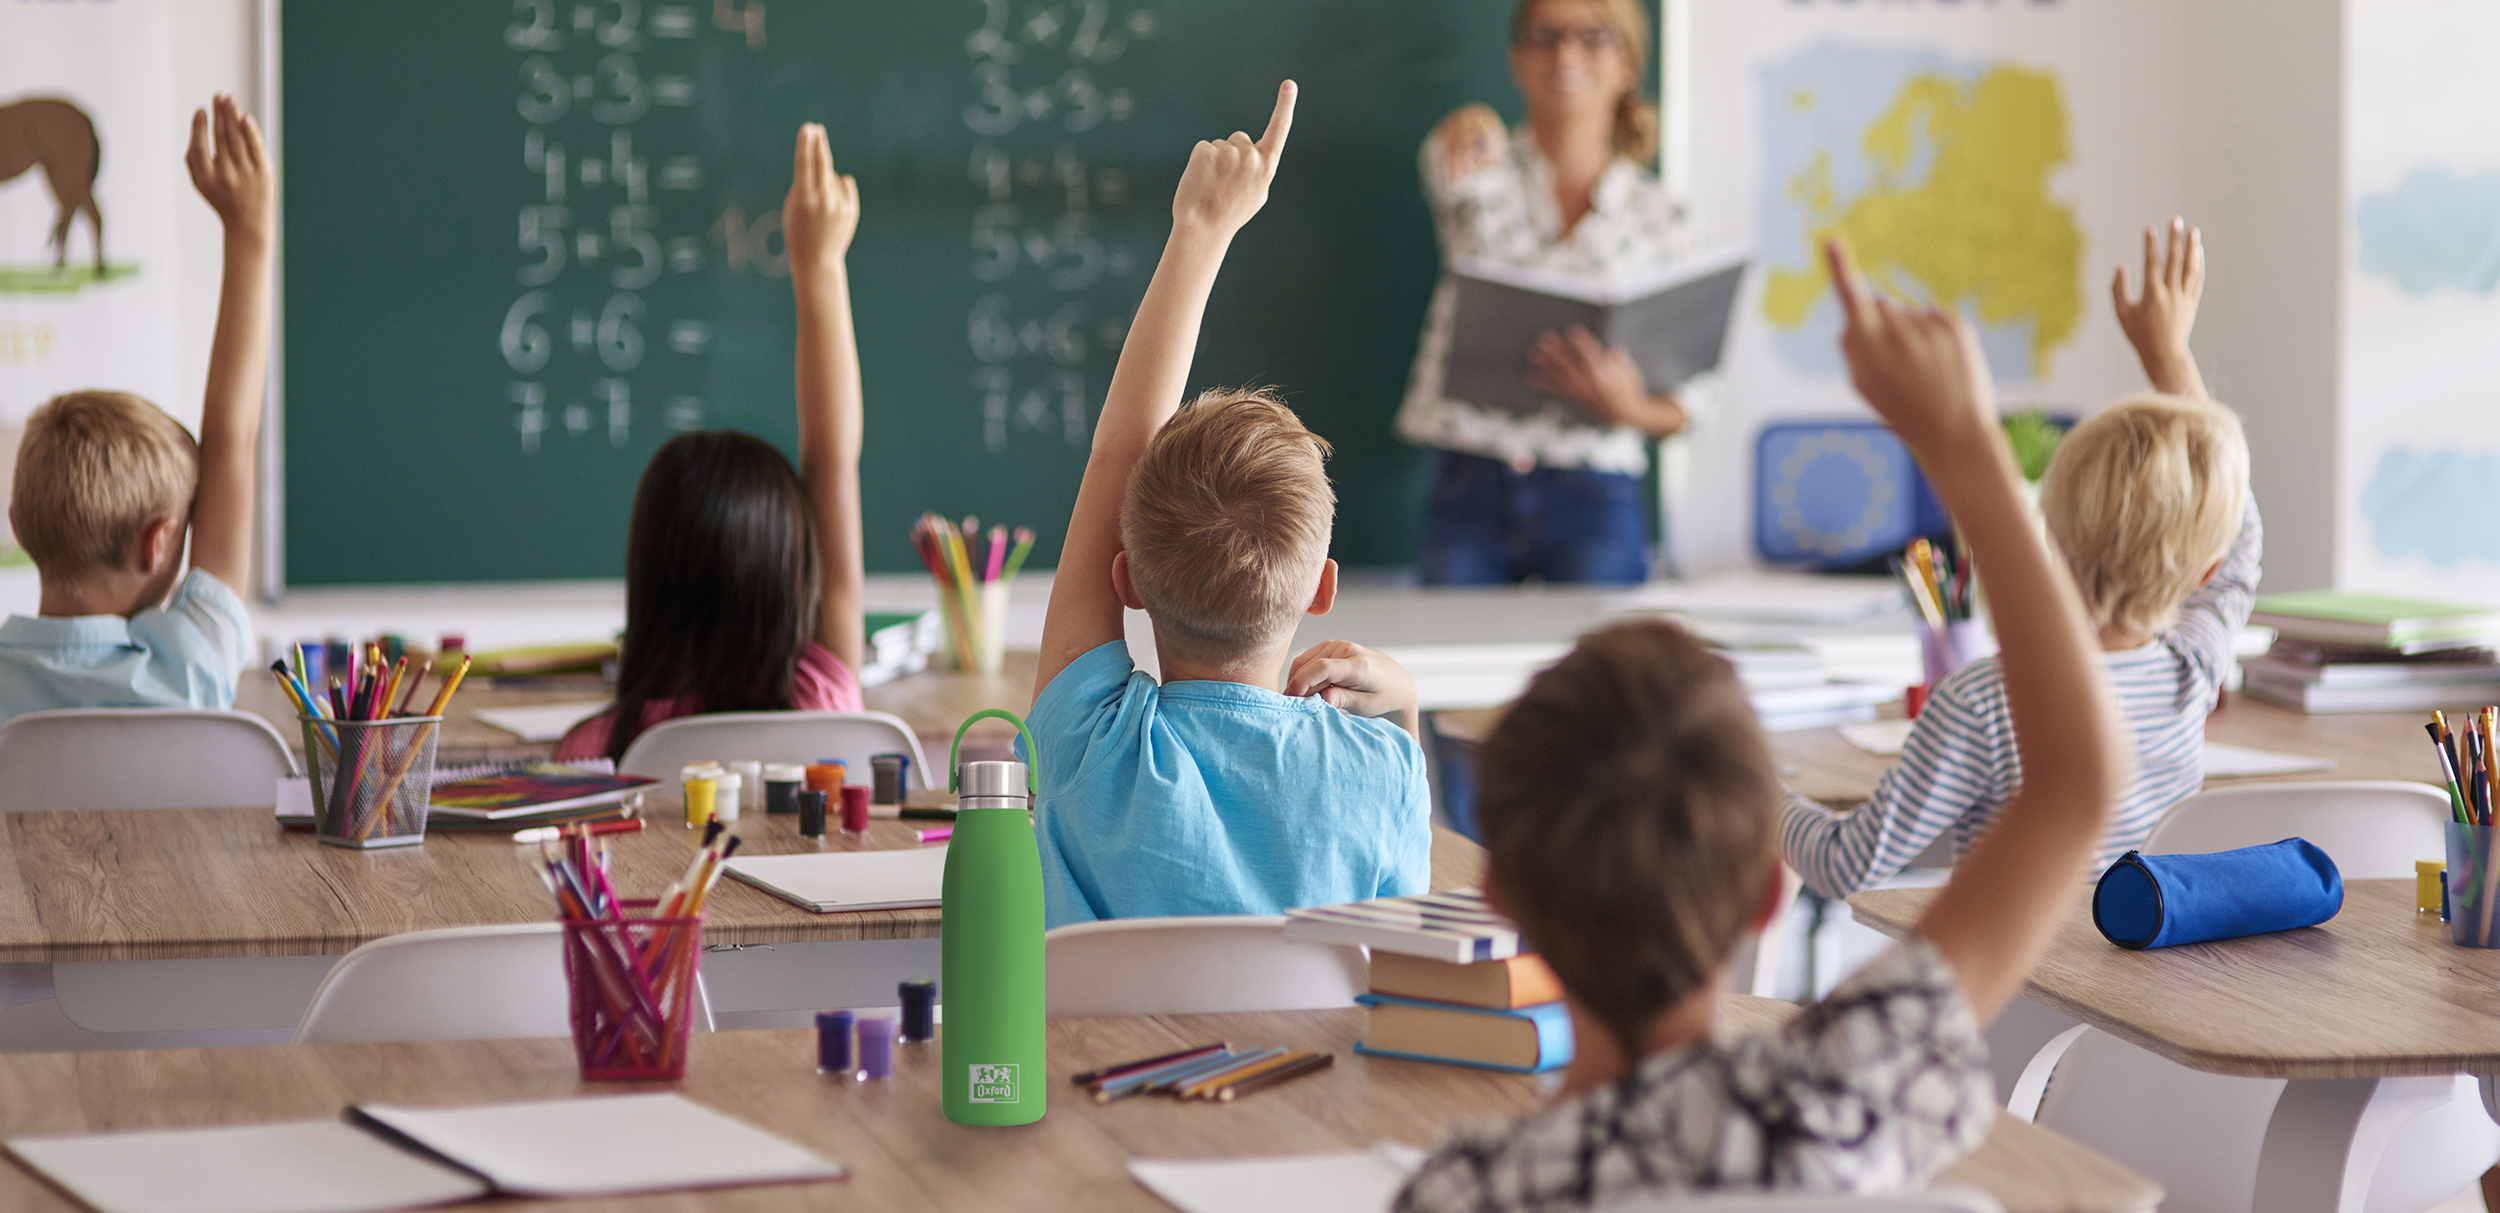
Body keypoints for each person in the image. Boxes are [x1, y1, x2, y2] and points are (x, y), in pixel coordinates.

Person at [1394, 238, 2132, 1208]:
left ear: (1499, 898)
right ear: (1763, 894)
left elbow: (2072, 791)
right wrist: (1966, 451)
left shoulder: (1466, 1192)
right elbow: (2076, 788)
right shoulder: (1839, 1097)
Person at [1025, 82, 1433, 928]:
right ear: (1321, 587)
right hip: (1310, 1067)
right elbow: (1404, 956)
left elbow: (1117, 454)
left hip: (1094, 1066)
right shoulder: (1379, 769)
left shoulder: (1087, 750)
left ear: (1126, 580)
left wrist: (1198, 233)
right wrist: (1406, 706)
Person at [1782, 218, 2257, 900]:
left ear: (2050, 535)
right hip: (2129, 998)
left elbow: (1842, 864)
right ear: (2204, 571)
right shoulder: (2192, 674)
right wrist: (2170, 357)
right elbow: (2240, 539)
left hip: (2010, 996)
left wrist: (1748, 781)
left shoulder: (1984, 701)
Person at [555, 124, 866, 762]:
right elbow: (831, 461)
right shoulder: (824, 698)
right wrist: (820, 266)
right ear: (795, 574)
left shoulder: (600, 751)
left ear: (649, 576)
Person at [1398, 0, 1695, 586]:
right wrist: (1469, 124)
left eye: (1593, 37)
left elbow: (1692, 399)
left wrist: (1628, 406)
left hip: (1596, 491)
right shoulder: (1480, 168)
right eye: (1545, 36)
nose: (1565, 54)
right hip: (1469, 479)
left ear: (1628, 63)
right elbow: (1443, 164)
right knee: (1454, 668)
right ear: (1515, 57)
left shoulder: (1665, 219)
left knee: (1605, 674)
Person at [0, 97, 270, 723]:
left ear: (17, 524)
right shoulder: (191, 669)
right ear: (159, 542)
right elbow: (234, 435)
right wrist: (249, 228)